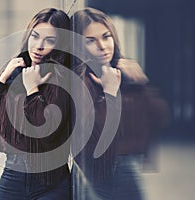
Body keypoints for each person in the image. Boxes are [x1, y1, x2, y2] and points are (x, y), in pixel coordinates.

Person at [70, 8, 169, 200]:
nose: (102, 46)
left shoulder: (122, 71)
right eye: (90, 41)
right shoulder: (79, 80)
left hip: (125, 164)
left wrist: (142, 82)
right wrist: (110, 93)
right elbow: (96, 135)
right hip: (101, 168)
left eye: (106, 37)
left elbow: (159, 118)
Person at [0, 8, 71, 200]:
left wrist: (33, 90)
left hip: (50, 180)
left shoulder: (62, 78)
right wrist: (2, 80)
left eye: (49, 40)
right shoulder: (15, 72)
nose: (39, 46)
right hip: (13, 175)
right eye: (35, 36)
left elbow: (47, 131)